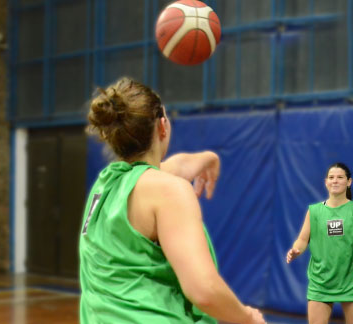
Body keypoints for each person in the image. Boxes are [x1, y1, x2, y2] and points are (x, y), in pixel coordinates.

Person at [79, 77, 265, 324]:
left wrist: (208, 158)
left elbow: (173, 167)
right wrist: (248, 318)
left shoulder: (106, 185)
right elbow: (204, 289)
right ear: (163, 126)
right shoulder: (169, 191)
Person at [286, 162, 353, 324]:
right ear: (326, 182)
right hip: (320, 282)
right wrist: (296, 250)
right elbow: (302, 239)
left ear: (349, 182)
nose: (335, 181)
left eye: (340, 177)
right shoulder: (313, 211)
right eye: (331, 177)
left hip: (351, 283)